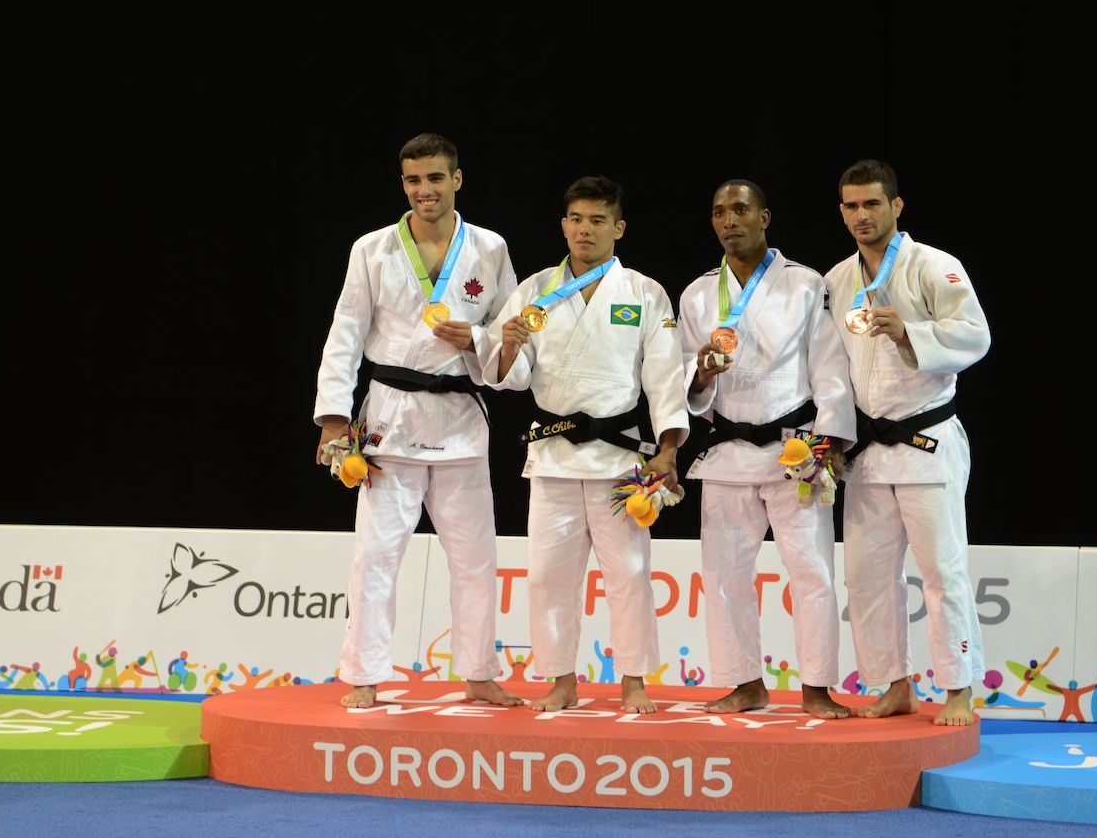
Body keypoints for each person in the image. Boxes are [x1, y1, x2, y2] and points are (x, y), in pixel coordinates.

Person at [313, 132, 520, 709]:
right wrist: (333, 419)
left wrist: (477, 338)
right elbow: (346, 333)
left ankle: (479, 673)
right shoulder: (372, 249)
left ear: (458, 179)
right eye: (413, 180)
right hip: (389, 420)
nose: (424, 190)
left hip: (459, 418)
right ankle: (365, 674)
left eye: (435, 178)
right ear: (403, 184)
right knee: (376, 555)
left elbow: (511, 331)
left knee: (476, 557)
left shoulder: (490, 248)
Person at [485, 175, 688, 714]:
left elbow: (665, 378)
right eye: (576, 219)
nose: (585, 229)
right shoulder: (533, 291)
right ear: (563, 225)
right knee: (549, 576)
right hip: (552, 453)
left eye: (598, 220)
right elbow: (517, 376)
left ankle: (634, 681)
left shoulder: (644, 292)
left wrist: (667, 450)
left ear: (618, 228)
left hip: (621, 458)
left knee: (629, 575)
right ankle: (560, 679)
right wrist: (507, 350)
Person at [678, 179, 856, 717]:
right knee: (726, 576)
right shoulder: (697, 293)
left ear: (765, 217)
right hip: (728, 450)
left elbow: (829, 367)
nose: (729, 220)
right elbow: (686, 381)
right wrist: (701, 373)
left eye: (740, 210)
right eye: (718, 212)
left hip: (796, 451)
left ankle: (817, 687)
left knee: (812, 573)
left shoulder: (806, 285)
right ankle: (744, 683)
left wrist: (828, 441)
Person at [824, 158, 990, 727]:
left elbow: (976, 335)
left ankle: (959, 689)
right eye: (851, 205)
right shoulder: (836, 279)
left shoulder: (934, 266)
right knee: (868, 578)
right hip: (868, 452)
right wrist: (832, 439)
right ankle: (894, 685)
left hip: (927, 438)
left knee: (943, 572)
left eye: (873, 203)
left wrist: (910, 333)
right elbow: (832, 369)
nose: (862, 215)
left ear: (896, 206)